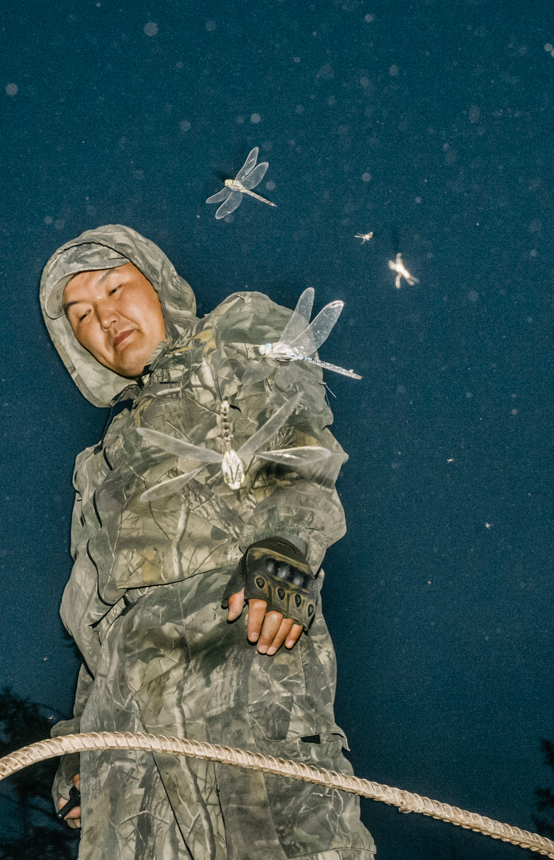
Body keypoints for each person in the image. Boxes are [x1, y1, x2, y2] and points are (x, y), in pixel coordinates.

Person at [39, 225, 375, 859]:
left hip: (238, 638)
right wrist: (83, 736)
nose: (105, 318)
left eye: (115, 288)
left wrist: (284, 547)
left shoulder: (236, 333)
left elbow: (297, 439)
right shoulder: (98, 464)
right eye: (81, 315)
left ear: (158, 285)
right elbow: (97, 620)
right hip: (125, 711)